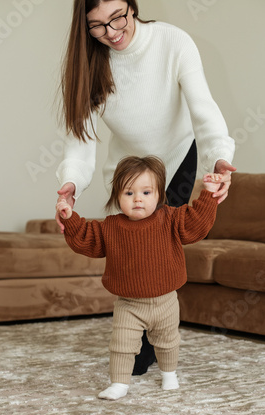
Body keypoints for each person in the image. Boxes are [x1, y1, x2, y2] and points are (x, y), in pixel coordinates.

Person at [55, 0, 236, 374]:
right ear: (85, 28)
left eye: (117, 17)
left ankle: (159, 337)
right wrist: (70, 183)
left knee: (158, 243)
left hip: (178, 155)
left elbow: (203, 108)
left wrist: (217, 159)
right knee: (126, 248)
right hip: (127, 169)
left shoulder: (173, 42)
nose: (111, 32)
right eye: (97, 26)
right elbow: (81, 140)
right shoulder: (90, 65)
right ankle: (133, 332)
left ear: (133, 7)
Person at [56, 155, 223, 400]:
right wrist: (70, 217)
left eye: (146, 192)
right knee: (121, 345)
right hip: (129, 304)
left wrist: (209, 193)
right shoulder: (110, 227)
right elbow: (85, 237)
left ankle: (169, 375)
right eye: (128, 193)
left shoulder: (172, 219)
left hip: (166, 301)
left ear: (159, 196)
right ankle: (119, 383)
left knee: (168, 342)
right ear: (116, 197)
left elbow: (197, 223)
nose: (137, 200)